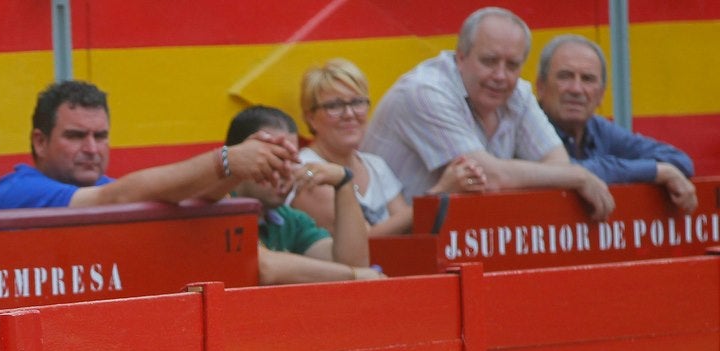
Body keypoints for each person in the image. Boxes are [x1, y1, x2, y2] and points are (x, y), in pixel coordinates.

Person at [362, 7, 614, 219]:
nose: (501, 76)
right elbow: (489, 176)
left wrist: (566, 175)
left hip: (457, 242)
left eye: (512, 65)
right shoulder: (424, 91)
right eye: (489, 61)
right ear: (460, 57)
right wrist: (578, 176)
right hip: (385, 249)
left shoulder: (519, 92)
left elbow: (558, 165)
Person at [0, 79, 295, 211]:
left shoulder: (105, 187)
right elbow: (118, 197)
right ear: (40, 141)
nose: (91, 148)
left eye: (100, 136)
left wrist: (244, 164)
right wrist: (226, 161)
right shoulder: (16, 190)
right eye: (76, 136)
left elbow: (189, 198)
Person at [535, 34, 697, 214]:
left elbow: (680, 161)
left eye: (587, 79)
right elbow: (560, 170)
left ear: (601, 94)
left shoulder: (598, 128)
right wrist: (657, 172)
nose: (576, 89)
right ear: (540, 87)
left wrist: (659, 170)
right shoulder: (526, 127)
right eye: (565, 77)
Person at [226, 107, 380, 286]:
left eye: (293, 160)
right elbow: (264, 267)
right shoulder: (217, 207)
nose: (287, 171)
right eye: (276, 158)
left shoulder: (288, 218)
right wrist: (353, 275)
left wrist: (344, 183)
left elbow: (352, 265)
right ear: (238, 156)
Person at [291, 60, 413, 237]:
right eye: (334, 106)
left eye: (357, 103)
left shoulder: (375, 165)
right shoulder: (306, 168)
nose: (349, 114)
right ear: (310, 118)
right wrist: (437, 197)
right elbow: (360, 241)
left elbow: (407, 231)